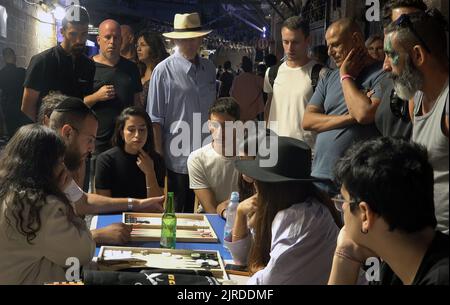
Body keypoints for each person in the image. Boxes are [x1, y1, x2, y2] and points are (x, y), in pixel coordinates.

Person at [329, 137, 449, 285]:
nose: (342, 207)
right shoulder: (393, 266)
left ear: (365, 214)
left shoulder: (440, 279)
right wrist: (345, 257)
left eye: (344, 200)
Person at [49, 97, 164, 246]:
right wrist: (96, 235)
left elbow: (85, 201)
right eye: (89, 140)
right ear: (68, 133)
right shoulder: (38, 173)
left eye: (142, 130)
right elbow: (49, 239)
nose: (91, 149)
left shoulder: (58, 166)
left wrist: (137, 203)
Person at [226, 136, 341, 284]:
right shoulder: (307, 207)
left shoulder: (297, 220)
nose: (255, 185)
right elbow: (241, 258)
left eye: (258, 179)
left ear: (271, 187)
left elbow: (269, 282)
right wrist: (241, 213)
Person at [0, 124, 95, 284]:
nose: (63, 167)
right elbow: (83, 252)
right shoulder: (40, 207)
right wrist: (65, 195)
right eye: (59, 161)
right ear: (45, 165)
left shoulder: (6, 191)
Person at [303, 18, 386, 196]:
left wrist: (345, 76)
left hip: (353, 184)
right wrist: (350, 117)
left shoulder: (382, 74)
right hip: (318, 178)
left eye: (336, 45)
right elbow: (308, 120)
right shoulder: (329, 78)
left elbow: (363, 114)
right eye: (328, 46)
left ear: (356, 40)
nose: (330, 52)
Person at [383, 10, 449, 233]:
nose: (385, 66)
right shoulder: (416, 98)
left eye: (391, 55)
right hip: (424, 232)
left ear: (418, 56)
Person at [147, 12, 216, 213]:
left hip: (207, 154)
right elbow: (155, 119)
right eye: (185, 39)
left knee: (206, 211)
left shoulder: (209, 69)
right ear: (175, 39)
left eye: (195, 38)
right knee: (178, 211)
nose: (191, 43)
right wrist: (159, 158)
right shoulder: (163, 71)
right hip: (177, 157)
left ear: (201, 38)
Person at [21, 5, 95, 122]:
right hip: (46, 134)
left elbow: (84, 102)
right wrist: (44, 131)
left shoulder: (89, 65)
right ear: (62, 31)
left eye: (84, 34)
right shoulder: (42, 61)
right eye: (73, 34)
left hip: (74, 132)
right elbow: (27, 107)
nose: (79, 40)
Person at [264, 16, 327, 149]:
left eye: (295, 42)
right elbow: (269, 107)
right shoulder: (272, 73)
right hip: (276, 149)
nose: (290, 48)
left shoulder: (321, 74)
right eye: (285, 42)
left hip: (307, 151)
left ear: (307, 40)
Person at [86, 19, 143, 155]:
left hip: (126, 142)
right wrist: (96, 96)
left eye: (116, 38)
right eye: (107, 37)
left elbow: (137, 105)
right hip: (97, 144)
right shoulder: (87, 67)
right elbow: (78, 105)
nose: (112, 42)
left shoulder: (131, 68)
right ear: (99, 40)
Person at [95, 106, 165, 199]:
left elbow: (158, 204)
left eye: (142, 130)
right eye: (131, 130)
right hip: (115, 213)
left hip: (146, 213)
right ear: (121, 133)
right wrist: (134, 205)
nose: (137, 135)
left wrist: (150, 172)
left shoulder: (157, 160)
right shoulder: (106, 160)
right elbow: (102, 203)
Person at [187, 97, 240, 214]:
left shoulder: (250, 156)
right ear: (209, 125)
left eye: (226, 125)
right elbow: (210, 209)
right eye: (215, 125)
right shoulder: (197, 159)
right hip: (212, 218)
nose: (220, 131)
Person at [136, 30, 169, 109]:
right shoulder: (138, 70)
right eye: (137, 45)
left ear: (153, 47)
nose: (138, 49)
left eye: (143, 45)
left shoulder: (163, 72)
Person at [0, 48, 29, 137]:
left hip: (7, 107)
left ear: (4, 58)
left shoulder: (1, 73)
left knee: (11, 133)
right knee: (23, 133)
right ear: (14, 57)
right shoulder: (22, 72)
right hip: (21, 105)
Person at [230, 56, 264, 122]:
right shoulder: (257, 79)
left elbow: (232, 94)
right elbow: (267, 89)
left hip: (239, 113)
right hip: (253, 115)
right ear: (252, 68)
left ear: (242, 68)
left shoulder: (237, 79)